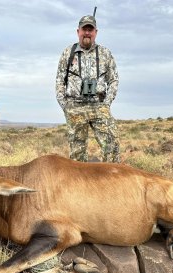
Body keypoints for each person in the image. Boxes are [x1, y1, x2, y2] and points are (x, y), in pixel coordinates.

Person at [56, 15, 120, 163]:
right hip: (75, 107)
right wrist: (66, 107)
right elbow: (59, 81)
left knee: (112, 144)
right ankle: (80, 185)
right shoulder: (67, 53)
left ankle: (109, 180)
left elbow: (114, 80)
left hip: (99, 106)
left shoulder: (105, 53)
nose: (87, 33)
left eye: (90, 30)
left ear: (96, 32)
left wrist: (106, 104)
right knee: (77, 154)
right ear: (78, 31)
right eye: (84, 29)